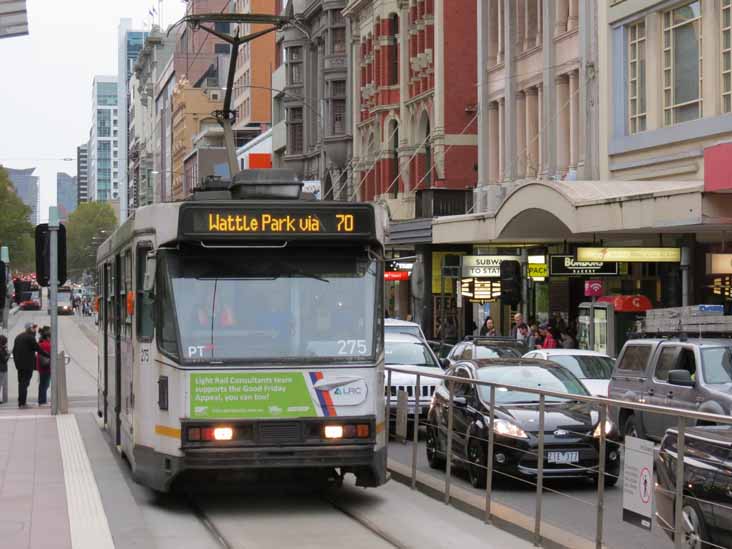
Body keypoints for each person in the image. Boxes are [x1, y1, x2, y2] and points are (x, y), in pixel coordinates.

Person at [12, 323, 48, 408]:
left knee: (21, 383)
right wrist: (49, 355)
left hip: (20, 365)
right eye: (33, 328)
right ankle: (22, 404)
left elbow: (14, 351)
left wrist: (16, 363)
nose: (35, 330)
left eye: (35, 328)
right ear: (28, 329)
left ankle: (21, 402)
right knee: (24, 383)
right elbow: (38, 349)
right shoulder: (30, 338)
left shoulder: (18, 337)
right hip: (27, 365)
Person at [36, 326, 52, 406]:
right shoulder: (47, 345)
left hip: (41, 367)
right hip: (46, 367)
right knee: (44, 384)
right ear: (48, 337)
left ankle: (42, 400)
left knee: (42, 384)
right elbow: (51, 355)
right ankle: (42, 401)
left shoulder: (40, 343)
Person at [0, 335, 9, 404]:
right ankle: (3, 399)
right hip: (2, 369)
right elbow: (4, 360)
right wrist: (8, 354)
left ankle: (4, 399)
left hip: (2, 369)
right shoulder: (1, 349)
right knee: (1, 384)